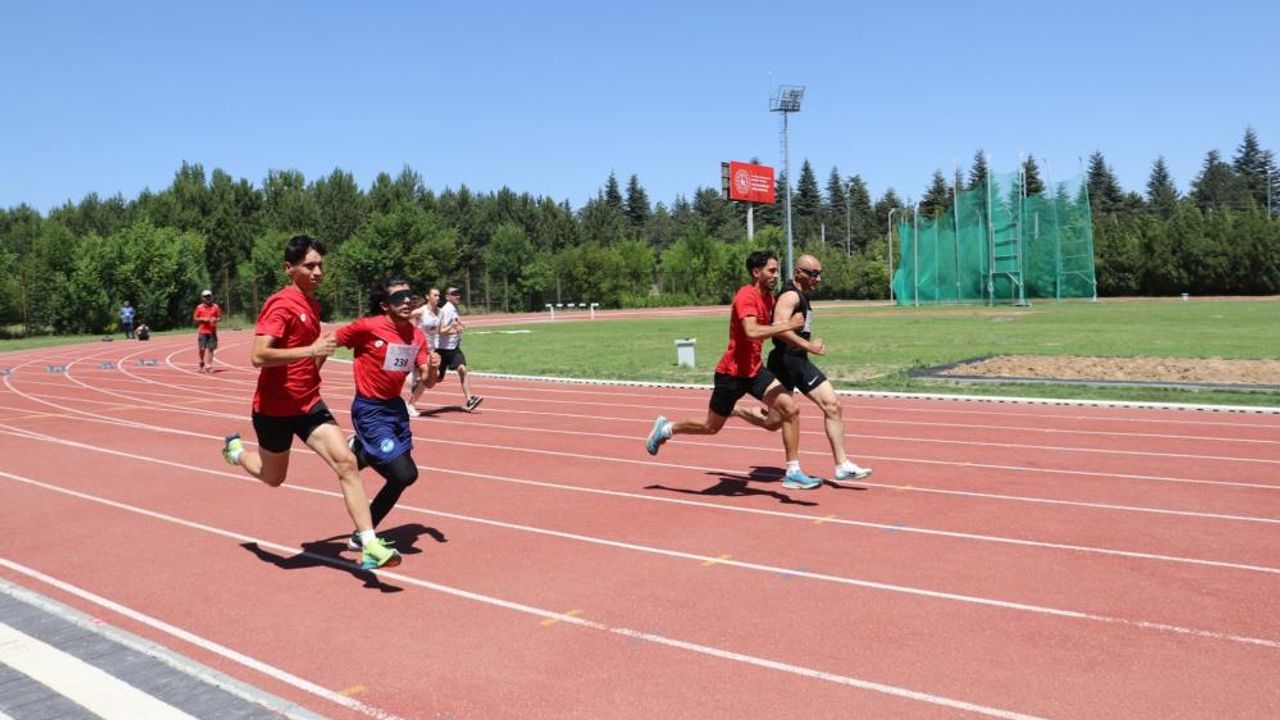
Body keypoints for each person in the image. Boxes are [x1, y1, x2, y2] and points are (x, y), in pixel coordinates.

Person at [220, 234, 400, 570]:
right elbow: (258, 356)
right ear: (289, 268)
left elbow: (310, 357)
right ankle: (237, 452)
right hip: (273, 409)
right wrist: (311, 349)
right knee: (273, 478)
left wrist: (317, 359)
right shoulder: (280, 304)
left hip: (308, 404)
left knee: (346, 463)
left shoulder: (313, 305)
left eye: (320, 266)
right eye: (310, 266)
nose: (318, 272)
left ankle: (370, 543)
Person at [644, 250, 820, 490]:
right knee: (711, 427)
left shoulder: (769, 298)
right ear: (756, 272)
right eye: (771, 271)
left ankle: (793, 471)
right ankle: (666, 429)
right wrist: (788, 324)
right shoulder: (745, 296)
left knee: (790, 409)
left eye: (777, 271)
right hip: (731, 374)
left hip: (755, 371)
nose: (776, 275)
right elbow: (751, 331)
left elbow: (777, 329)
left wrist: (805, 343)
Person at [333, 277, 439, 550]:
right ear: (385, 305)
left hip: (395, 410)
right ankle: (362, 451)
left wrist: (433, 367)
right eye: (398, 298)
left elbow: (428, 382)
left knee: (400, 478)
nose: (406, 301)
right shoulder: (368, 327)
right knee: (405, 474)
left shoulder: (416, 336)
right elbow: (330, 340)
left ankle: (361, 534)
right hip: (370, 410)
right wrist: (312, 375)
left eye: (409, 295)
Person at [765, 254, 873, 482]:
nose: (819, 279)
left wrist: (806, 347)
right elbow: (778, 328)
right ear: (798, 273)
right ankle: (734, 411)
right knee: (773, 421)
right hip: (784, 361)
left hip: (799, 360)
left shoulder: (802, 295)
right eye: (814, 274)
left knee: (832, 405)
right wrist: (809, 346)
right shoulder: (790, 295)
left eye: (819, 274)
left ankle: (842, 465)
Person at [437, 286, 483, 412]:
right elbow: (441, 331)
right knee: (437, 378)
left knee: (462, 369)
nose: (457, 296)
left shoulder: (454, 309)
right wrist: (453, 330)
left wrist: (461, 325)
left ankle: (470, 400)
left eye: (458, 293)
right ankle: (420, 382)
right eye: (454, 294)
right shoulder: (445, 310)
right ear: (447, 297)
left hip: (454, 348)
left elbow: (455, 322)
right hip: (442, 349)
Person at [405, 287, 444, 416]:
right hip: (418, 347)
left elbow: (439, 331)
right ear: (428, 297)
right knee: (424, 376)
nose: (437, 298)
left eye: (439, 295)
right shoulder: (421, 311)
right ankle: (408, 404)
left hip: (431, 350)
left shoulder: (440, 312)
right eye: (435, 295)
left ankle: (410, 402)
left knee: (432, 375)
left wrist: (454, 328)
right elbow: (403, 317)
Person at [193, 290, 222, 373]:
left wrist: (215, 319)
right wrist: (203, 319)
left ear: (211, 297)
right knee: (202, 348)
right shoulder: (199, 307)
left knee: (210, 349)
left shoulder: (215, 307)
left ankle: (209, 366)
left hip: (212, 332)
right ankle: (201, 362)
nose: (207, 298)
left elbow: (220, 317)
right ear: (202, 298)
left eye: (209, 296)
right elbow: (195, 318)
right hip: (202, 331)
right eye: (205, 296)